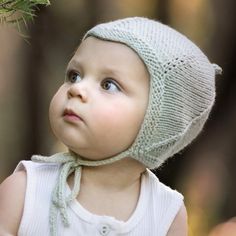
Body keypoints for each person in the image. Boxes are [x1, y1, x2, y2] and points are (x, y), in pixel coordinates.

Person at [0, 17, 222, 236]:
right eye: (74, 76)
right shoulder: (25, 191)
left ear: (156, 124)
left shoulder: (165, 214)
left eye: (108, 85)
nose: (76, 89)